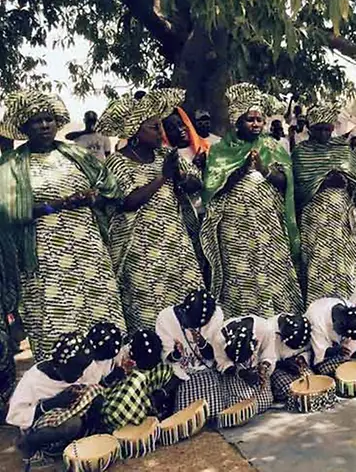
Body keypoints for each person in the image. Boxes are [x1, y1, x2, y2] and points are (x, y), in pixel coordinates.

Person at [0, 90, 126, 363]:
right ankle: (64, 389)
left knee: (99, 314)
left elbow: (111, 190)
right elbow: (7, 212)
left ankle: (110, 375)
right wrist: (55, 205)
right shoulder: (10, 165)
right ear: (24, 127)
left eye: (49, 119)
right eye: (36, 121)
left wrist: (94, 197)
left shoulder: (76, 155)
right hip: (46, 258)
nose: (44, 125)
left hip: (88, 251)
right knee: (57, 320)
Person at [99, 89, 205, 331]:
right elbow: (126, 202)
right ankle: (154, 361)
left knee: (188, 301)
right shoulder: (117, 161)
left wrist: (180, 178)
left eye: (160, 126)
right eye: (154, 128)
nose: (161, 132)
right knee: (150, 306)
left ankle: (191, 355)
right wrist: (162, 178)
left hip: (175, 241)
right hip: (140, 248)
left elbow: (196, 183)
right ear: (135, 131)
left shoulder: (165, 154)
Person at [200, 83, 303, 318]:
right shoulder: (220, 150)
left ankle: (281, 323)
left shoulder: (271, 146)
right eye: (250, 119)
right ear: (237, 121)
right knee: (242, 274)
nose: (256, 124)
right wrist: (242, 169)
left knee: (272, 269)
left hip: (269, 227)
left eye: (259, 119)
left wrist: (263, 169)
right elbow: (212, 189)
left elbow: (286, 183)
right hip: (236, 229)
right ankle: (242, 325)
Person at [293, 102, 356, 300]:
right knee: (319, 261)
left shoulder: (342, 150)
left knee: (346, 263)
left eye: (328, 129)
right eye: (319, 129)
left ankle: (350, 304)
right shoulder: (301, 152)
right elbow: (299, 186)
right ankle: (318, 305)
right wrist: (325, 182)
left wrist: (347, 182)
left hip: (343, 219)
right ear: (310, 129)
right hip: (315, 220)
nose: (325, 134)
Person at [7, 333, 104, 467]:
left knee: (98, 395)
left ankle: (84, 437)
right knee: (72, 424)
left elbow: (92, 384)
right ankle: (28, 444)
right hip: (41, 419)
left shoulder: (76, 365)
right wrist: (53, 403)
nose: (81, 375)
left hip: (68, 410)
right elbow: (18, 417)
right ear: (58, 366)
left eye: (82, 370)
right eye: (77, 372)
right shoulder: (33, 380)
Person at [155, 289, 226, 419]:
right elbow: (168, 359)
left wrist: (202, 343)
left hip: (206, 371)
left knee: (215, 413)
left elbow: (212, 355)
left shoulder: (216, 315)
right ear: (183, 311)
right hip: (181, 373)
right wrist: (176, 353)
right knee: (187, 417)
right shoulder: (165, 318)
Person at [214, 316, 277, 416]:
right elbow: (222, 363)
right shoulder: (219, 338)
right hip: (235, 371)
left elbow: (269, 355)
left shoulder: (266, 329)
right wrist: (241, 373)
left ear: (255, 344)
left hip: (257, 366)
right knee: (238, 407)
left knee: (264, 403)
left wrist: (263, 370)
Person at [305, 298, 356, 374]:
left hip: (340, 346)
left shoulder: (351, 311)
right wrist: (335, 351)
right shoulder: (316, 320)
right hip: (322, 350)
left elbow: (353, 341)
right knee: (336, 372)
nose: (349, 338)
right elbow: (321, 352)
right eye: (348, 336)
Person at [267, 313, 312, 402]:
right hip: (277, 368)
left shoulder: (304, 327)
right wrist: (283, 364)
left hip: (297, 363)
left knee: (312, 385)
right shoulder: (269, 333)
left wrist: (302, 359)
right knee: (290, 391)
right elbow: (266, 361)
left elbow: (309, 350)